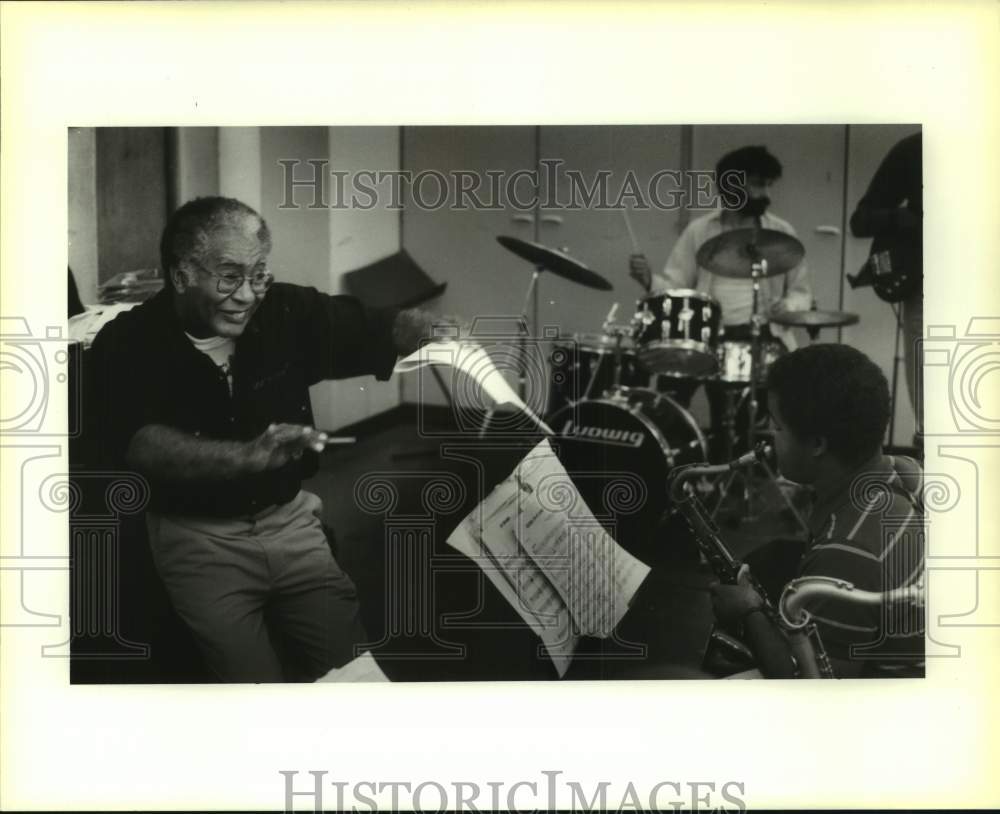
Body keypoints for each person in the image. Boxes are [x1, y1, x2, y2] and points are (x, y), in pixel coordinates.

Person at [88, 196, 441, 682]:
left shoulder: (285, 311)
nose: (249, 294)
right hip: (198, 539)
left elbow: (365, 325)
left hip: (291, 522)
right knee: (251, 689)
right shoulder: (128, 343)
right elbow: (141, 444)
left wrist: (423, 329)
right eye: (230, 276)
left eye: (258, 275)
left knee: (355, 674)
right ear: (181, 275)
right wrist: (248, 456)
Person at [710, 344, 925, 678]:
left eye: (778, 427)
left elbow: (815, 686)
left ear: (817, 444)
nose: (768, 439)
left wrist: (748, 611)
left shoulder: (848, 551)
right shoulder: (904, 470)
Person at [629, 146, 813, 457]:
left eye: (768, 184)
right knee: (668, 403)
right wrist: (649, 280)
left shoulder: (781, 233)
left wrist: (789, 306)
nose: (765, 192)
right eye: (757, 184)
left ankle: (733, 480)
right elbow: (676, 286)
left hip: (759, 336)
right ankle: (675, 468)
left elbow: (801, 292)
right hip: (704, 334)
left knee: (738, 424)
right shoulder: (699, 231)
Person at [849, 131, 922, 444]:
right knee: (932, 406)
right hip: (928, 286)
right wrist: (906, 220)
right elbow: (861, 220)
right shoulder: (915, 149)